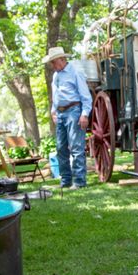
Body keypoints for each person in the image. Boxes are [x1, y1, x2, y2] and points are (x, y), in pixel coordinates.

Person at [45, 47, 92, 189]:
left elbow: (85, 95)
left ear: (62, 59)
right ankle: (65, 181)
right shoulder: (56, 76)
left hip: (74, 111)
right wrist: (53, 111)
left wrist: (84, 114)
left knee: (77, 147)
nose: (52, 65)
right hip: (60, 113)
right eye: (51, 63)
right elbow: (56, 95)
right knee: (61, 148)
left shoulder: (75, 72)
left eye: (53, 62)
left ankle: (79, 181)